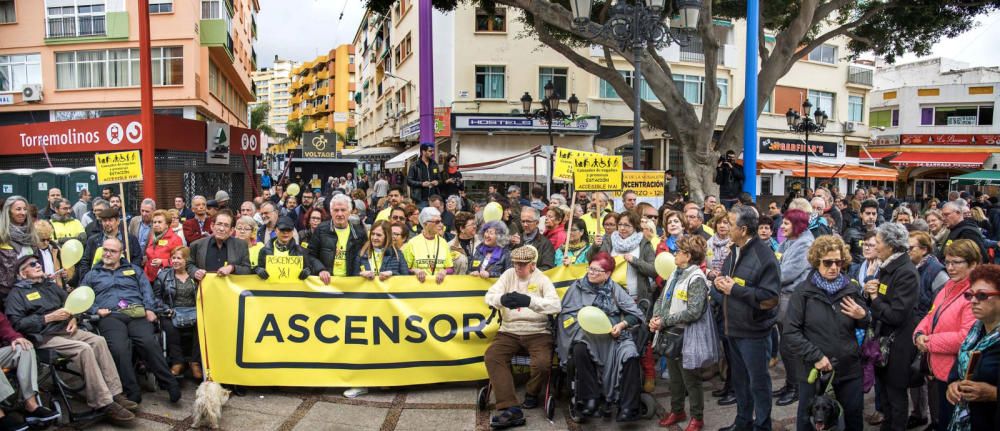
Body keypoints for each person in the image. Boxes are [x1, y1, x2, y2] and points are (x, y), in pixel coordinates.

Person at [5, 254, 136, 424]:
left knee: (98, 341)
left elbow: (72, 303)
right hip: (44, 336)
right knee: (84, 349)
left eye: (38, 262)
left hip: (65, 329)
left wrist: (74, 318)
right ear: (23, 274)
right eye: (32, 264)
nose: (38, 265)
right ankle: (103, 402)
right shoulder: (16, 294)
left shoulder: (49, 285)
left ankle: (115, 393)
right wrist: (47, 318)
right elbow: (16, 324)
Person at [784, 236, 870, 431]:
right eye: (828, 262)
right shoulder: (803, 292)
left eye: (838, 262)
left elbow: (865, 325)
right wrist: (816, 356)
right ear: (817, 261)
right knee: (810, 419)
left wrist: (863, 315)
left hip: (848, 367)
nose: (833, 267)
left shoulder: (851, 288)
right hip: (814, 371)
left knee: (853, 416)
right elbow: (791, 332)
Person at [82, 238, 180, 404]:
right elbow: (82, 297)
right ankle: (131, 390)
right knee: (120, 348)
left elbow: (147, 291)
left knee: (148, 342)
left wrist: (149, 309)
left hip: (136, 313)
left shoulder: (134, 270)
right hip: (110, 316)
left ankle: (170, 383)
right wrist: (95, 309)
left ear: (121, 253)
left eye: (112, 251)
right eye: (105, 249)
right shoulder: (92, 275)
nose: (107, 253)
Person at [556, 252, 645, 422]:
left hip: (613, 334)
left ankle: (628, 406)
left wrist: (622, 324)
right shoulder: (577, 288)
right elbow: (566, 315)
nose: (591, 273)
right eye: (590, 269)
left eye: (597, 271)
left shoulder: (614, 289)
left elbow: (635, 314)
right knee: (580, 348)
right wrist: (579, 324)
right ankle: (590, 398)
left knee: (630, 354)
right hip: (585, 334)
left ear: (608, 274)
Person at [714, 205, 781, 431]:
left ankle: (763, 426)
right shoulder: (734, 249)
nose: (725, 227)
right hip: (733, 328)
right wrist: (719, 283)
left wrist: (735, 290)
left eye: (730, 224)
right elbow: (728, 281)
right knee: (740, 382)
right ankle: (742, 423)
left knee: (758, 384)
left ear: (743, 229)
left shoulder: (765, 256)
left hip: (754, 333)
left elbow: (770, 299)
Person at [484, 245, 561, 428]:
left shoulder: (542, 279)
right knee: (492, 356)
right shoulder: (508, 274)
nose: (517, 268)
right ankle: (509, 406)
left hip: (538, 331)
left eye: (522, 265)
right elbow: (489, 296)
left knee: (542, 363)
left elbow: (555, 306)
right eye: (515, 264)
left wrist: (530, 301)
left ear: (532, 265)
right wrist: (500, 300)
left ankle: (532, 392)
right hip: (509, 329)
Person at [911, 239, 980, 430]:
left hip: (955, 374)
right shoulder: (948, 286)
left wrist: (929, 342)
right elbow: (931, 315)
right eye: (947, 262)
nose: (950, 267)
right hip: (938, 368)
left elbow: (965, 337)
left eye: (956, 262)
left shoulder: (974, 294)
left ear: (973, 264)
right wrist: (918, 333)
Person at [649, 236, 712, 431]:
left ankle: (697, 418)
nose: (674, 254)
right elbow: (662, 299)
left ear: (688, 256)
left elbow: (693, 311)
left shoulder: (696, 279)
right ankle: (677, 411)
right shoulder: (676, 272)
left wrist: (663, 321)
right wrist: (656, 316)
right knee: (674, 378)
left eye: (678, 252)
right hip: (671, 334)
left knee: (691, 380)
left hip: (687, 336)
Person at [864, 223, 920, 431]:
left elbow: (896, 315)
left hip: (898, 346)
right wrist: (871, 292)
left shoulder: (905, 272)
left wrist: (875, 298)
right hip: (884, 342)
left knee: (896, 398)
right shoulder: (886, 266)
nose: (874, 246)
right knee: (885, 395)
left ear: (891, 245)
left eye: (877, 242)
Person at [944, 264, 1000, 431]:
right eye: (970, 295)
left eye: (982, 295)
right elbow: (961, 364)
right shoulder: (976, 329)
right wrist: (953, 384)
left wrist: (993, 394)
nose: (973, 301)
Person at [773, 208, 816, 406]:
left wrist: (767, 276)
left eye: (786, 223)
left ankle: (797, 388)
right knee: (785, 346)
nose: (782, 226)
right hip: (784, 298)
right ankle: (790, 384)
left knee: (791, 347)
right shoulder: (790, 241)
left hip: (793, 300)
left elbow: (784, 274)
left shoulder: (804, 244)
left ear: (797, 225)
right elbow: (777, 262)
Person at [152, 246, 203, 380]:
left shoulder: (195, 277)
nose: (175, 261)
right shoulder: (163, 276)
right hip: (172, 311)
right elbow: (156, 298)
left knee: (202, 327)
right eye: (173, 258)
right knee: (169, 327)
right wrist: (165, 309)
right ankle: (178, 362)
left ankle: (195, 362)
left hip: (193, 311)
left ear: (187, 260)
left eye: (179, 258)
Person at [78, 207, 143, 282]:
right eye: (104, 221)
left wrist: (130, 273)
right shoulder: (93, 240)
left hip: (125, 280)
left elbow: (137, 258)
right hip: (99, 280)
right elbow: (85, 262)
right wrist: (88, 278)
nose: (107, 223)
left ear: (118, 221)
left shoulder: (130, 239)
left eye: (110, 220)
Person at [312, 195, 367, 282]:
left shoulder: (359, 233)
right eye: (336, 210)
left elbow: (364, 258)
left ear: (350, 212)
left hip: (351, 284)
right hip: (327, 283)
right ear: (331, 212)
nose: (339, 214)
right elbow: (310, 255)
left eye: (343, 210)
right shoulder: (321, 230)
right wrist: (321, 269)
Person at [186, 211, 253, 283]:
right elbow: (189, 264)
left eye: (226, 225)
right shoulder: (197, 245)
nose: (221, 228)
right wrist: (195, 272)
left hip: (231, 292)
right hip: (205, 291)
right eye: (219, 224)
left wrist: (232, 268)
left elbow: (247, 269)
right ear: (212, 226)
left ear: (231, 230)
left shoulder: (241, 245)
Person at [253, 217, 322, 280]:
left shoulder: (301, 251)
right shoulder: (264, 251)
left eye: (289, 230)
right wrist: (258, 269)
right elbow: (258, 271)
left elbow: (310, 270)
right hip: (272, 290)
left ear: (292, 232)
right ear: (276, 230)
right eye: (282, 230)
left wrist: (308, 271)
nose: (286, 233)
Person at [402, 207, 452, 284]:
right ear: (425, 224)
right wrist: (415, 270)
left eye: (441, 221)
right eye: (437, 222)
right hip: (418, 288)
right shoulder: (412, 243)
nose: (441, 225)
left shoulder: (443, 242)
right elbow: (404, 269)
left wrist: (444, 271)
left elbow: (450, 268)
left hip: (439, 287)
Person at [142, 209, 184, 282]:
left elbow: (181, 261)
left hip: (166, 279)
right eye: (154, 222)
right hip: (148, 278)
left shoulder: (175, 239)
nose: (156, 224)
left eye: (160, 222)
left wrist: (162, 262)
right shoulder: (152, 237)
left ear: (167, 224)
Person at [510, 207, 556, 271]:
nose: (525, 224)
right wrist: (510, 245)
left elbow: (547, 268)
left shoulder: (545, 244)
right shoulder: (516, 240)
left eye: (528, 221)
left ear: (537, 223)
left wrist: (528, 272)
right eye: (523, 221)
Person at [845, 200, 881, 264]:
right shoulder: (851, 232)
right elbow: (845, 254)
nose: (871, 216)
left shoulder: (881, 233)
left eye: (874, 214)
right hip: (856, 270)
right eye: (868, 213)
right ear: (861, 214)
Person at [705, 214, 733, 280]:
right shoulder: (707, 243)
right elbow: (701, 265)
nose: (722, 225)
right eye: (719, 222)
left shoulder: (735, 244)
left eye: (725, 222)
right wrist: (709, 272)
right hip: (710, 281)